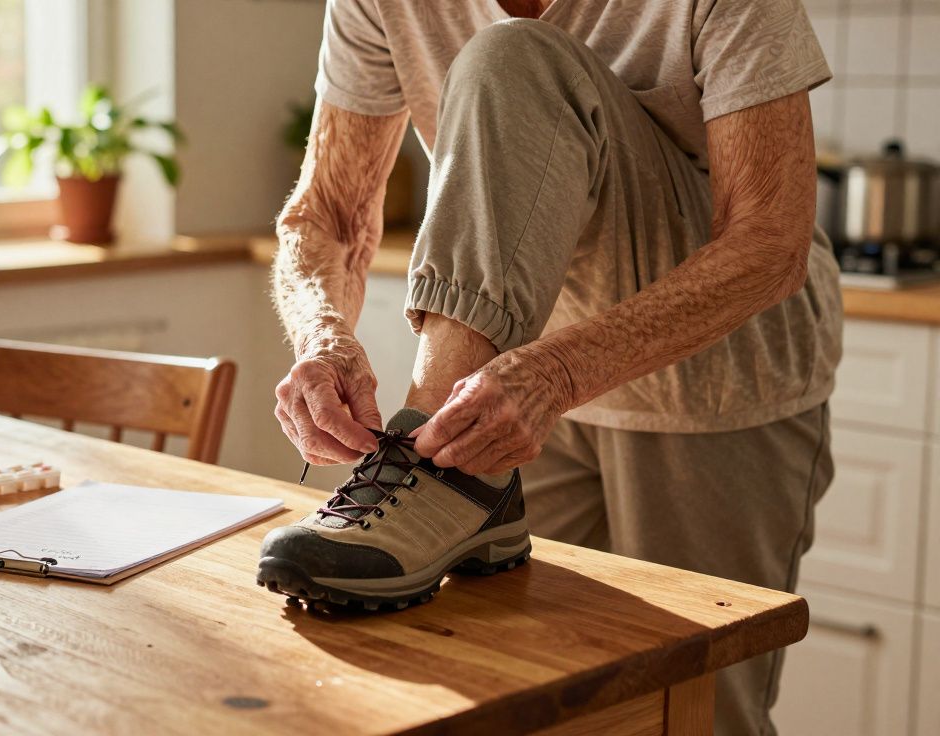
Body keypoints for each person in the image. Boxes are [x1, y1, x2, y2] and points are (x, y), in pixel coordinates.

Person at [255, 1, 842, 734]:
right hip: (511, 396)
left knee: (696, 719)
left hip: (716, 385)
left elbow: (771, 238)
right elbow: (330, 212)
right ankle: (443, 466)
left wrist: (556, 374)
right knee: (526, 706)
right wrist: (320, 336)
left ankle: (434, 464)